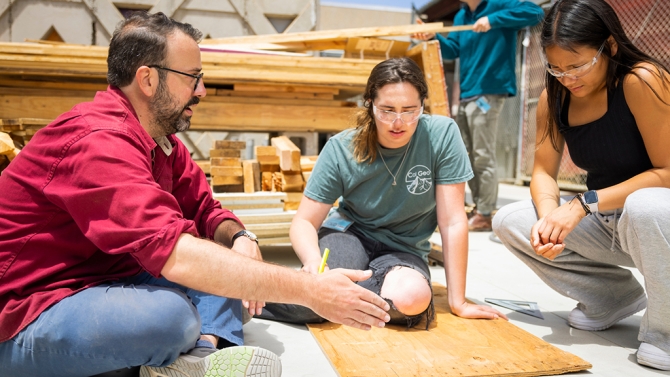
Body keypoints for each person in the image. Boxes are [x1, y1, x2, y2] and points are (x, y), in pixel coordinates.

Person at [0, 12, 392, 377]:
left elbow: (206, 209)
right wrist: (311, 291)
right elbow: (175, 253)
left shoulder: (158, 141)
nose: (202, 90)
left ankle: (202, 356)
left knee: (230, 277)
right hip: (28, 310)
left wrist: (241, 238)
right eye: (192, 76)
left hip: (96, 281)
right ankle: (181, 350)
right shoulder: (98, 142)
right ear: (148, 79)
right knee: (170, 319)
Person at [258, 57, 507, 328]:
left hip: (405, 247)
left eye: (410, 111)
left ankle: (347, 297)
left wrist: (458, 301)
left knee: (411, 299)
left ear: (423, 106)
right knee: (316, 301)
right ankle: (249, 292)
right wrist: (314, 262)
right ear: (370, 104)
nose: (398, 122)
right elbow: (304, 221)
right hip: (350, 234)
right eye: (387, 110)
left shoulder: (442, 135)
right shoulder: (341, 148)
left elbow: (453, 221)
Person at [493, 0, 670, 371]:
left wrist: (582, 203)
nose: (567, 78)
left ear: (610, 46)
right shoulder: (554, 96)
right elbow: (542, 171)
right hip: (609, 222)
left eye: (578, 66)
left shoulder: (642, 79)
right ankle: (611, 298)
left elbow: (668, 171)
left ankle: (665, 331)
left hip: (657, 220)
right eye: (556, 68)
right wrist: (548, 221)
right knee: (510, 220)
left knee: (645, 205)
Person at [413, 0, 544, 231]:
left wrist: (493, 20)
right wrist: (433, 37)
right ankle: (477, 206)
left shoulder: (499, 5)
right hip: (466, 92)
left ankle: (485, 213)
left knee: (483, 155)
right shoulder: (462, 17)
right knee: (466, 155)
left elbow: (535, 12)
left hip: (489, 92)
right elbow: (453, 50)